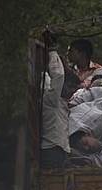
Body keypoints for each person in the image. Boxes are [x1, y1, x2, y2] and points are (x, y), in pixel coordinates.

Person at [40, 36, 82, 169]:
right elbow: (58, 75)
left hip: (60, 150)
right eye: (70, 87)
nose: (72, 92)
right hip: (52, 149)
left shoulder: (61, 103)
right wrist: (52, 51)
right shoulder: (51, 100)